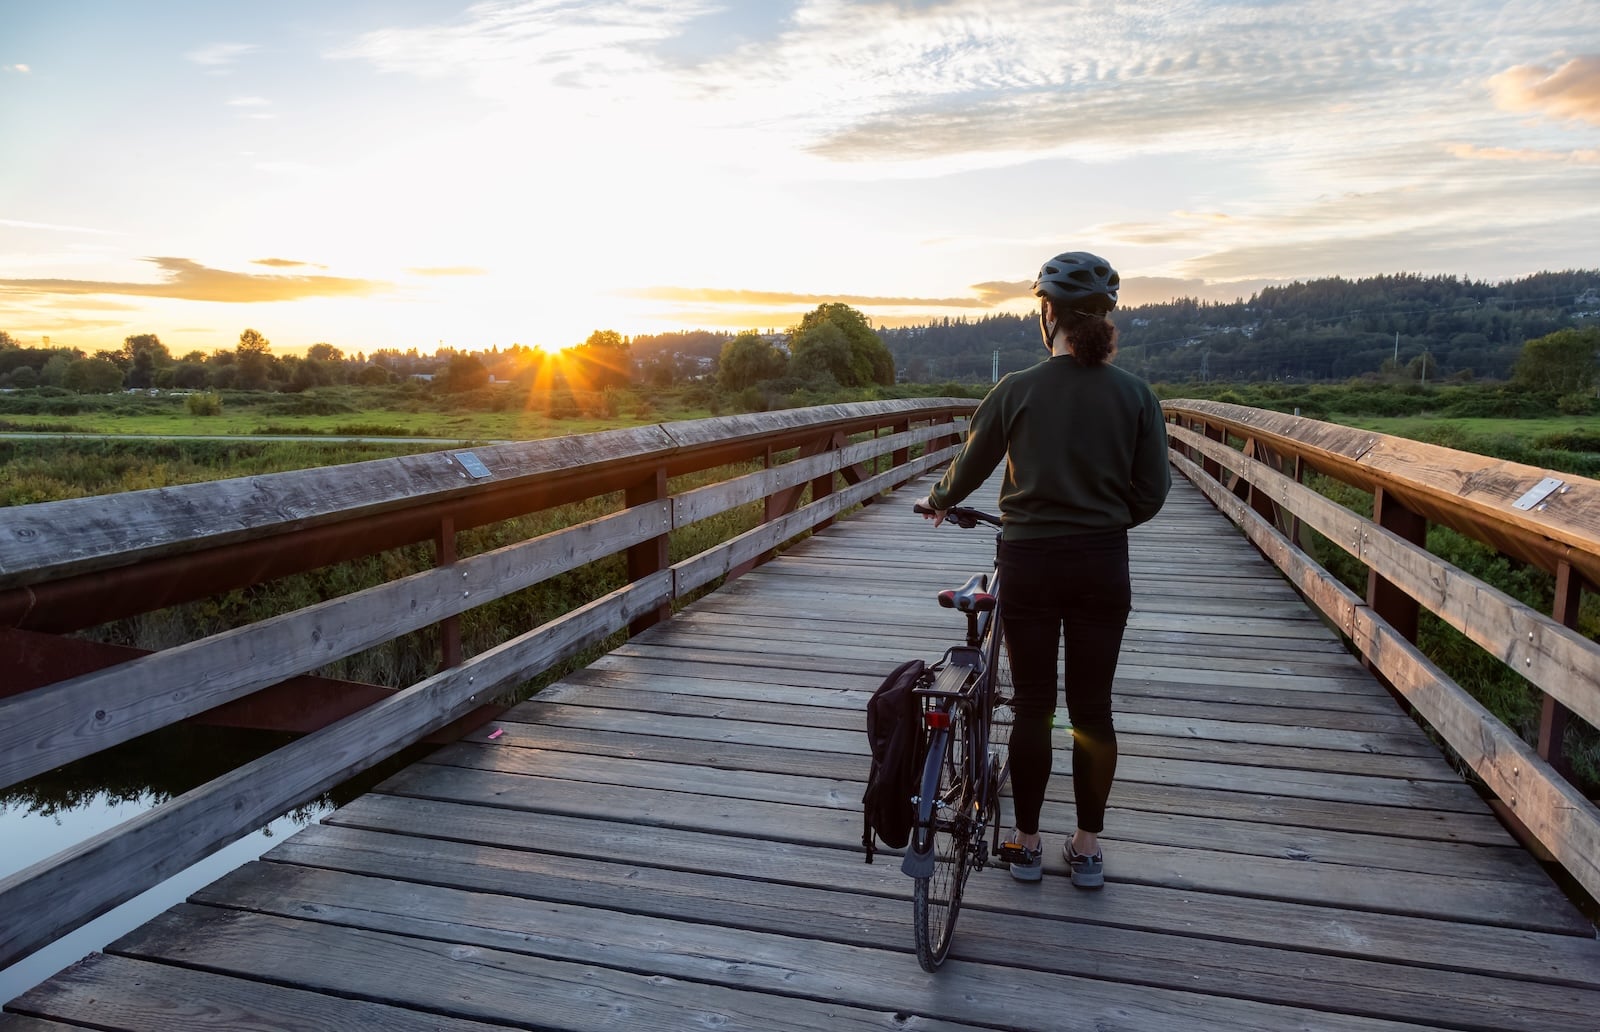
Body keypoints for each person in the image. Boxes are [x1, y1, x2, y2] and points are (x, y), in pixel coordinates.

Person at [915, 250, 1170, 888]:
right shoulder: (1137, 396)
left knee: (1032, 704)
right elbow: (1154, 492)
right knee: (1092, 710)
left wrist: (940, 500)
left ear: (1046, 314)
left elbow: (971, 465)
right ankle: (1085, 848)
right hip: (1101, 563)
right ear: (1106, 320)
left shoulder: (1016, 389)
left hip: (1027, 561)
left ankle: (1024, 843)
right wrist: (1104, 518)